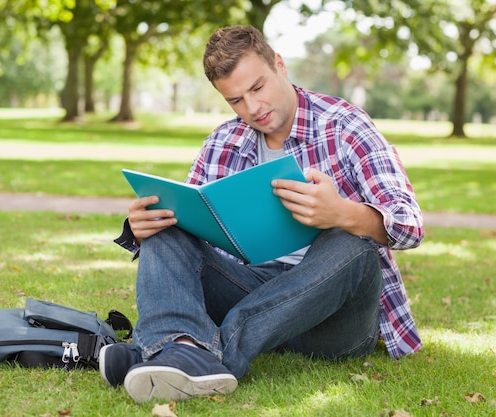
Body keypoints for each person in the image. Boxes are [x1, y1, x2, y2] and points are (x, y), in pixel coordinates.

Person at [100, 25, 424, 403]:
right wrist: (146, 226)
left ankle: (196, 354)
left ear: (280, 65)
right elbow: (190, 226)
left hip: (334, 320)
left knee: (350, 243)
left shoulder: (344, 126)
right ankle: (177, 348)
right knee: (169, 224)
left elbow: (410, 226)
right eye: (236, 100)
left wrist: (341, 213)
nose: (252, 108)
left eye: (257, 88)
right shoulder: (224, 141)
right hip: (256, 289)